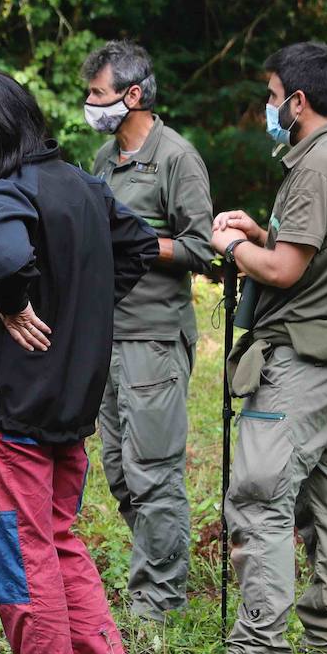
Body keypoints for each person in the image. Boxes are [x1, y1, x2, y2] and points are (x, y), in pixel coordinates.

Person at [0, 70, 159, 654]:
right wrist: (82, 309)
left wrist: (15, 302)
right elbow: (139, 247)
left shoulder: (6, 192)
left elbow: (7, 257)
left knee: (20, 551)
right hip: (72, 402)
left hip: (17, 404)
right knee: (60, 540)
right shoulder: (81, 183)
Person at [205, 41, 327, 654]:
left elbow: (285, 271)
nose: (269, 106)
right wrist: (262, 235)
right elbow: (311, 255)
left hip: (302, 362)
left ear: (299, 102)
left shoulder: (314, 166)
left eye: (273, 95)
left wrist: (231, 247)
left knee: (259, 497)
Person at [82, 40, 214, 624]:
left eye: (98, 94)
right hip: (105, 337)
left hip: (155, 339)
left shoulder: (177, 158)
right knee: (118, 470)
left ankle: (157, 602)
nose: (90, 103)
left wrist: (138, 244)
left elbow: (203, 248)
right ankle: (159, 562)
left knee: (154, 471)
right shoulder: (102, 161)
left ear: (133, 95)